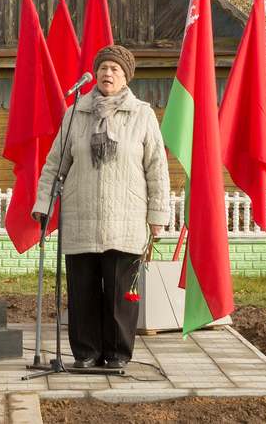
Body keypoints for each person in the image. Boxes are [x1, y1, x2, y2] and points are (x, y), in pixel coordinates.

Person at [32, 44, 171, 369]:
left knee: (120, 294)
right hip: (81, 217)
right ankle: (86, 352)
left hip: (126, 219)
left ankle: (117, 354)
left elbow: (157, 168)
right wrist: (43, 203)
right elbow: (55, 164)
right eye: (104, 68)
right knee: (83, 291)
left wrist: (157, 217)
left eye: (115, 69)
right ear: (95, 73)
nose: (108, 74)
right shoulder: (75, 113)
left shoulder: (142, 114)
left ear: (126, 77)